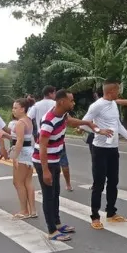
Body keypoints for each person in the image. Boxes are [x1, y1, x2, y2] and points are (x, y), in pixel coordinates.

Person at [34, 89, 100, 241]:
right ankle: (52, 231)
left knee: (55, 193)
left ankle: (57, 224)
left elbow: (69, 121)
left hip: (55, 159)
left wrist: (86, 122)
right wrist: (45, 171)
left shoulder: (62, 115)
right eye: (71, 100)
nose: (73, 102)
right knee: (48, 196)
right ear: (62, 102)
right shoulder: (48, 121)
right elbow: (42, 146)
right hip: (44, 161)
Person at [79, 80, 127, 230]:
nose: (119, 93)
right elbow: (82, 124)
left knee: (113, 181)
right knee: (99, 184)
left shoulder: (113, 104)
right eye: (118, 90)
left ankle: (111, 212)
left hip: (113, 148)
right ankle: (95, 216)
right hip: (100, 149)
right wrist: (100, 131)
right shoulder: (97, 106)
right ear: (111, 91)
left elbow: (118, 125)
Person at [29, 86, 73, 191]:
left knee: (53, 191)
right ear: (50, 93)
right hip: (52, 139)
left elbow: (28, 118)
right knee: (64, 162)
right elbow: (69, 120)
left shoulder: (36, 105)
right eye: (54, 93)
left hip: (45, 136)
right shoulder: (56, 105)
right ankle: (68, 184)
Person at [10, 99, 37, 219]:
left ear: (23, 109)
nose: (13, 110)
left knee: (18, 182)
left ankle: (24, 210)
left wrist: (15, 157)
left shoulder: (20, 123)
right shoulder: (29, 120)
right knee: (28, 181)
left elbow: (19, 141)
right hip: (29, 152)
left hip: (22, 153)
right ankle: (33, 210)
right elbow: (25, 138)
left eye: (16, 108)